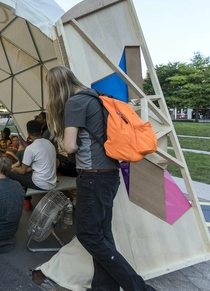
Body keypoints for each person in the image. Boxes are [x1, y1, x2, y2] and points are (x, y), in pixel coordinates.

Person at [45, 66, 156, 291]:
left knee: (88, 235)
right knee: (102, 234)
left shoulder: (75, 102)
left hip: (93, 176)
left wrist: (70, 147)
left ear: (56, 87)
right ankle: (105, 288)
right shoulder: (97, 98)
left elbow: (69, 145)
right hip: (109, 175)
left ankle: (139, 288)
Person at [8, 120, 57, 211]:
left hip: (40, 183)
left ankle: (17, 199)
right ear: (41, 131)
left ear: (28, 133)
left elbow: (22, 171)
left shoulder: (30, 148)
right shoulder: (50, 143)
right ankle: (26, 198)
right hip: (52, 181)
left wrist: (14, 168)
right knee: (22, 157)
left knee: (9, 173)